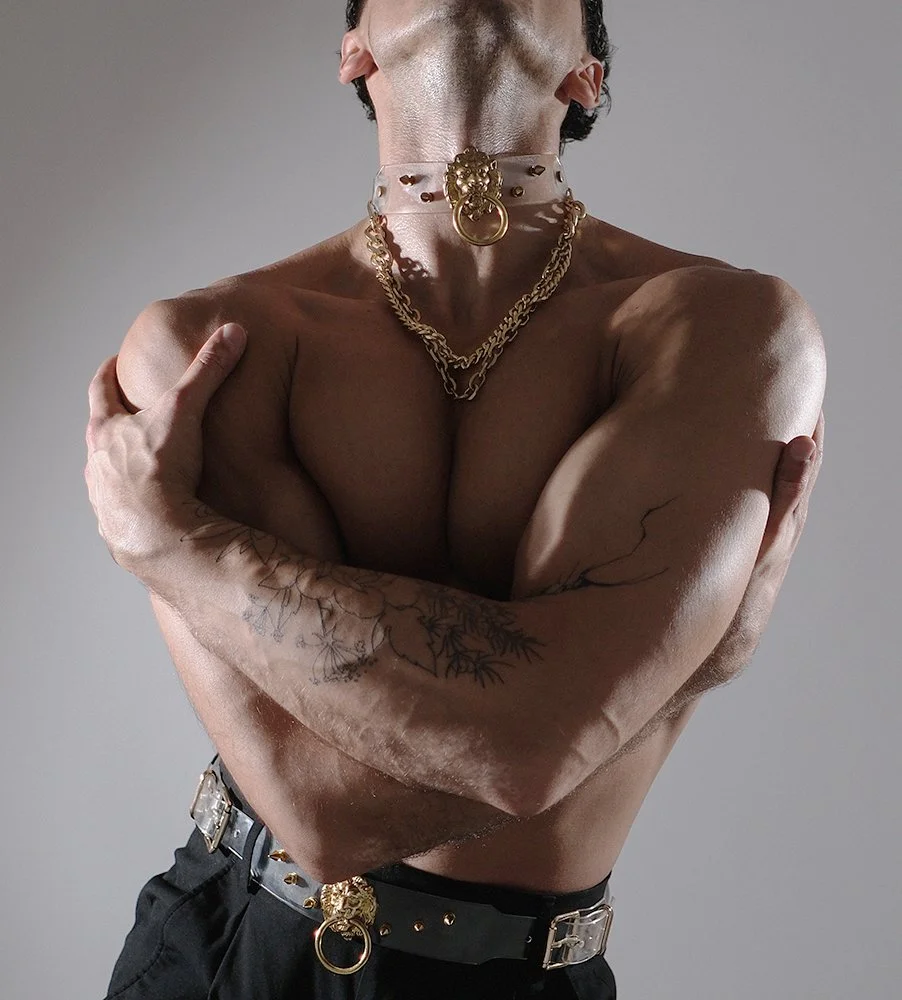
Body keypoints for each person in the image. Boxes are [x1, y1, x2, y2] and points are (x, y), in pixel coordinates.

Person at [85, 1, 827, 997]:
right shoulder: (208, 345)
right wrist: (646, 682)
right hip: (232, 945)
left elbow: (532, 746)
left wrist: (178, 549)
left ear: (586, 76)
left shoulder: (726, 330)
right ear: (354, 54)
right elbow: (318, 810)